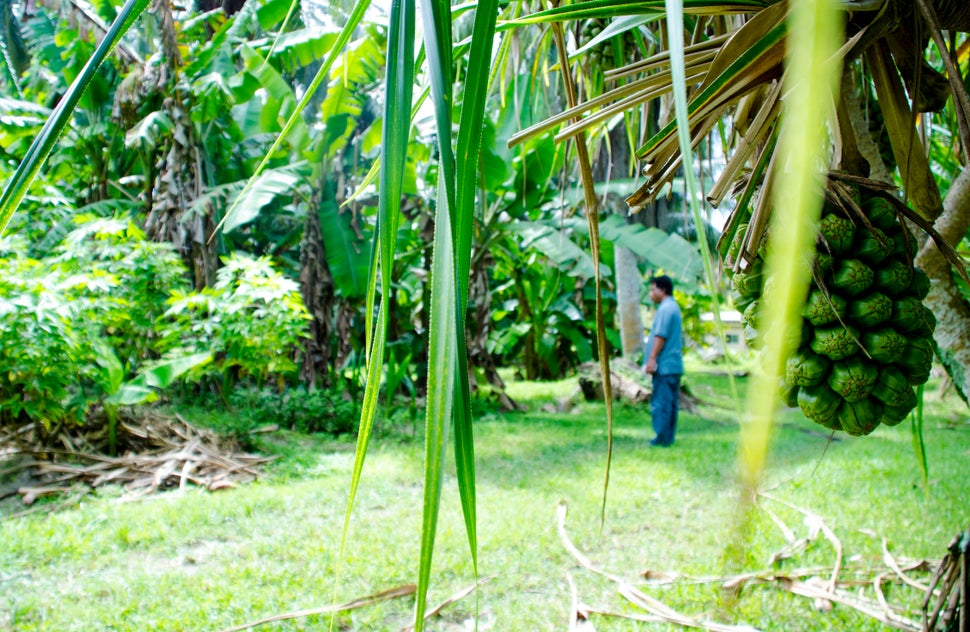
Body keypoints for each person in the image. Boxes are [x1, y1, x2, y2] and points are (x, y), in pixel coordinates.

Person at [642, 275, 683, 447]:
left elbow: (661, 336)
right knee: (671, 404)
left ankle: (661, 438)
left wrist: (651, 359)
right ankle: (667, 437)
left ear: (663, 290)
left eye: (653, 290)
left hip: (665, 365)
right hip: (674, 365)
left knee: (662, 403)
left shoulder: (666, 309)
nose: (651, 294)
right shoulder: (673, 307)